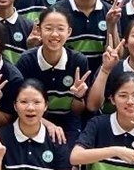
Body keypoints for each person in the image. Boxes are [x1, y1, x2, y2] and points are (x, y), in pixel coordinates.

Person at [16, 8, 90, 145]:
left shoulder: (79, 61)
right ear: (39, 30)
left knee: (70, 156)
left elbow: (77, 111)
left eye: (60, 29)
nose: (54, 34)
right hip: (33, 119)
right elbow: (19, 105)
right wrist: (47, 124)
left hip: (68, 122)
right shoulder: (26, 60)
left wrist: (78, 96)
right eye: (48, 28)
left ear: (69, 32)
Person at [53, 0, 108, 73]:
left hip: (100, 77)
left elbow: (116, 54)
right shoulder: (56, 11)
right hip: (65, 77)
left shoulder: (109, 12)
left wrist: (112, 25)